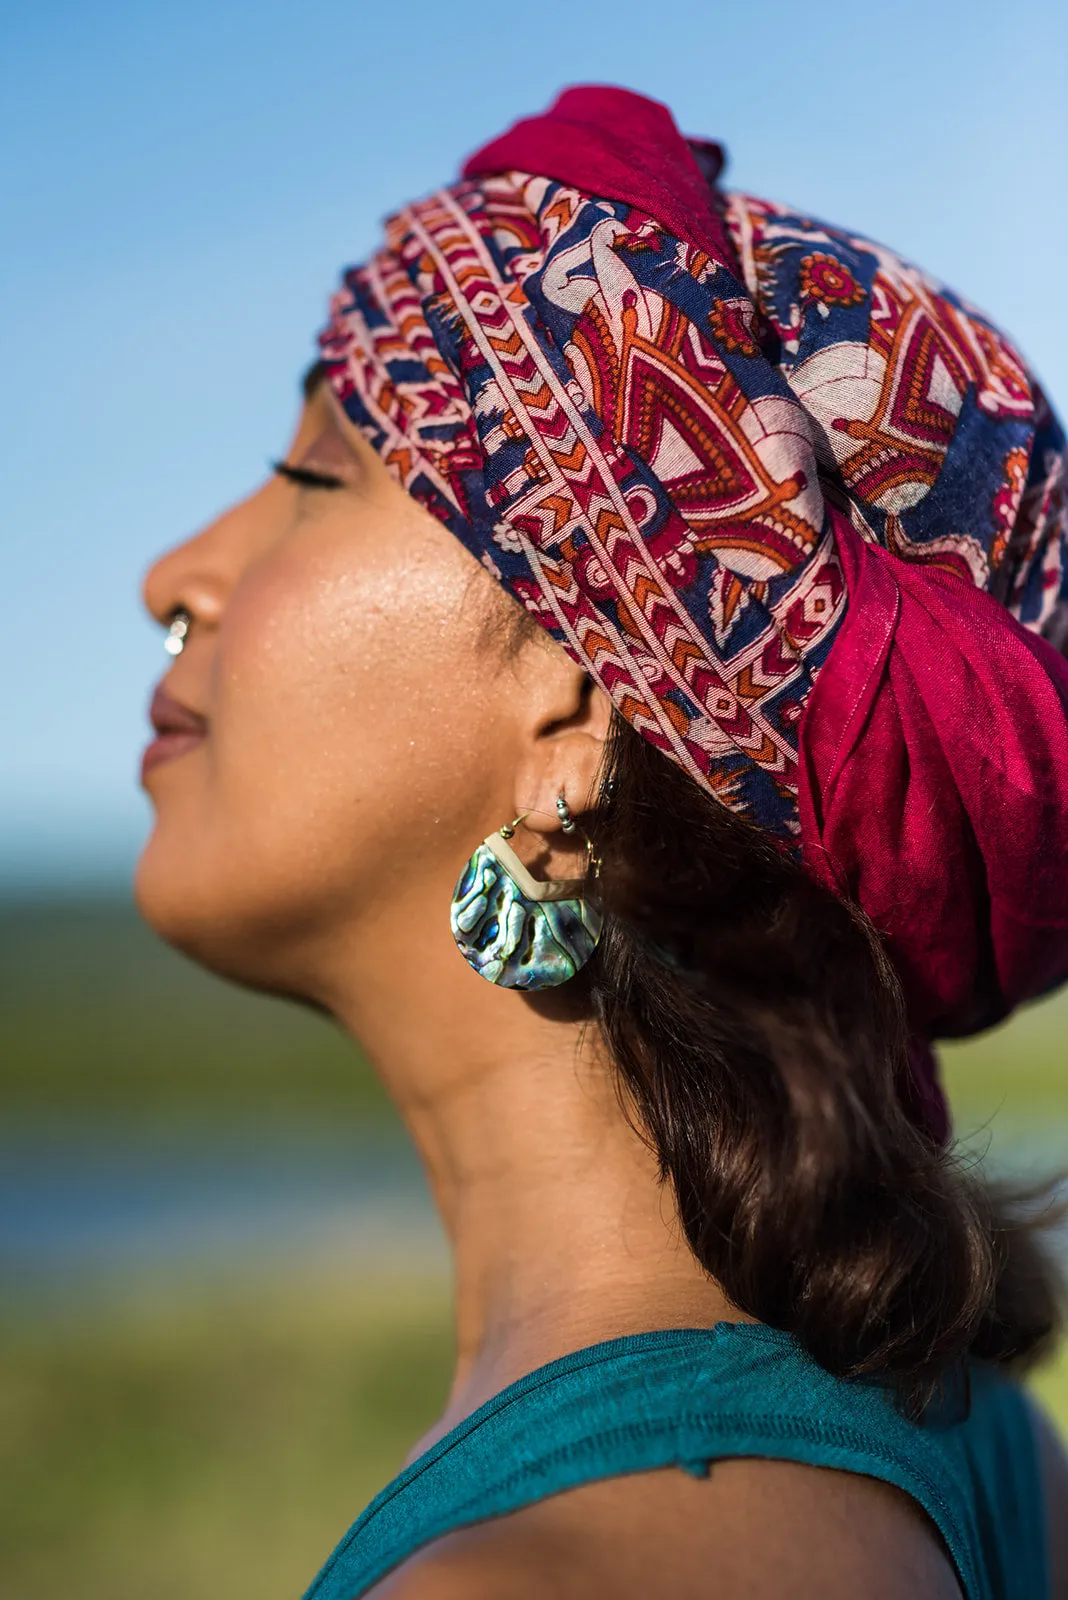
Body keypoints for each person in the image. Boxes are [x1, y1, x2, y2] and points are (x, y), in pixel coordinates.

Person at [136, 86, 1068, 1599]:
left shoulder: (538, 1575)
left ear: (580, 707)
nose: (172, 575)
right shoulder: (995, 1457)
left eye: (316, 475)